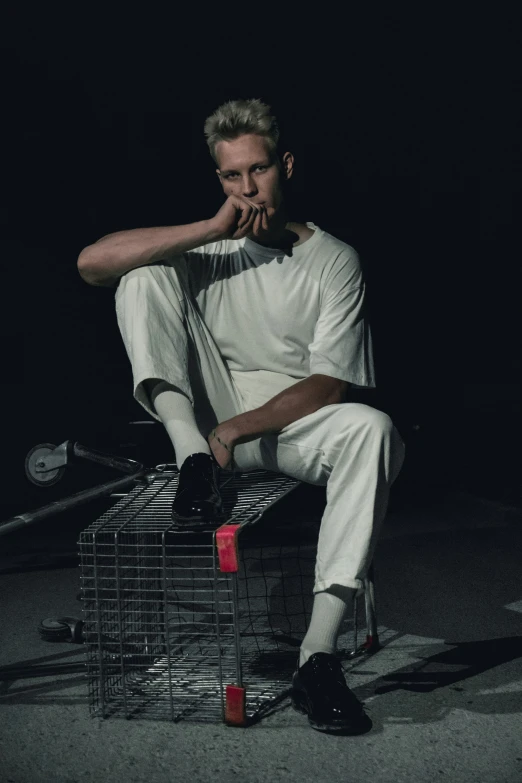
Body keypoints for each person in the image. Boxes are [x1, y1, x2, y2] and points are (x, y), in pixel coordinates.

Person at [77, 98, 406, 735]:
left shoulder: (335, 260)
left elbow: (328, 382)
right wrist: (206, 230)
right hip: (203, 425)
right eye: (231, 176)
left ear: (285, 166)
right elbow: (92, 262)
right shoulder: (209, 245)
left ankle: (316, 659)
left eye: (258, 171)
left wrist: (231, 431)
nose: (247, 189)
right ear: (219, 181)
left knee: (373, 429)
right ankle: (189, 460)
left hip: (281, 426)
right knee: (139, 277)